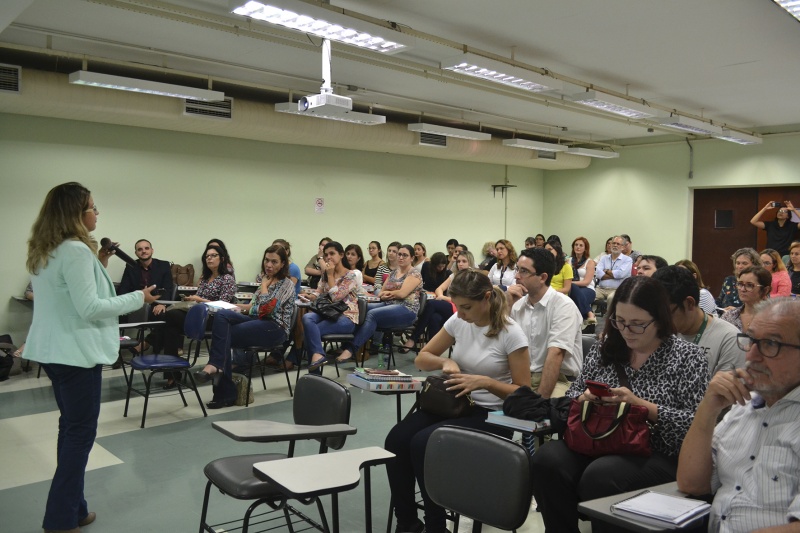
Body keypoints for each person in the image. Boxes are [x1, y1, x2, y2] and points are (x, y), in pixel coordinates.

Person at [24, 182, 158, 533]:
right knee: (80, 434)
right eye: (93, 207)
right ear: (76, 214)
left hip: (54, 353)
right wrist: (136, 297)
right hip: (76, 355)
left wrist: (100, 261)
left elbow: (71, 296)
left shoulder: (47, 250)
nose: (97, 213)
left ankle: (76, 509)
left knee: (70, 428)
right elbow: (90, 308)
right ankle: (59, 519)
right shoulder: (74, 251)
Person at [531, 276, 709, 533]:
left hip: (657, 451)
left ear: (659, 319)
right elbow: (574, 393)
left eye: (637, 324)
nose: (626, 331)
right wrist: (584, 399)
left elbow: (696, 424)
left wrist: (641, 406)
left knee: (603, 475)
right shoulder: (607, 347)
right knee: (548, 460)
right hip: (599, 438)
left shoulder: (687, 357)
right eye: (620, 322)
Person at [385, 270, 530, 533]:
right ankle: (406, 521)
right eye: (458, 307)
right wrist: (445, 361)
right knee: (396, 439)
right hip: (456, 405)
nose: (461, 313)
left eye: (466, 307)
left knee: (424, 442)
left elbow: (523, 392)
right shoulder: (459, 321)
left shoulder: (511, 334)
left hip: (493, 414)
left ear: (487, 298)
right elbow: (422, 357)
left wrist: (485, 382)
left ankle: (436, 526)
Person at [677, 298, 800, 532]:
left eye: (771, 344)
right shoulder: (742, 407)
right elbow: (691, 483)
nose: (752, 356)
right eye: (751, 340)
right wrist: (708, 408)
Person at [194, 244, 296, 408]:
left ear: (283, 264)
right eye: (267, 260)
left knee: (222, 336)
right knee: (222, 316)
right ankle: (219, 378)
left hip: (275, 328)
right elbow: (254, 307)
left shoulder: (286, 284)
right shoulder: (266, 279)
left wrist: (263, 286)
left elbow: (268, 309)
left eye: (274, 262)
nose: (269, 265)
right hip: (257, 321)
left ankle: (220, 383)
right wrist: (238, 308)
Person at [507, 247, 583, 398]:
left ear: (542, 277)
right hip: (523, 379)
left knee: (544, 413)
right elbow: (501, 345)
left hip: (559, 380)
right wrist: (507, 306)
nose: (516, 276)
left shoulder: (563, 306)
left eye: (524, 271)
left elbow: (555, 355)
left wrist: (539, 402)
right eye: (517, 269)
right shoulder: (517, 305)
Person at [160, 244, 236, 387]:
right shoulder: (205, 279)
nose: (209, 259)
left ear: (222, 258)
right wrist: (192, 299)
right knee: (170, 324)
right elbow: (198, 298)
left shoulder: (227, 278)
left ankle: (173, 373)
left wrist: (199, 300)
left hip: (215, 319)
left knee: (170, 317)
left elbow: (224, 304)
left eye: (213, 255)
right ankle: (172, 372)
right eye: (207, 256)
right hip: (199, 315)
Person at [336, 244, 422, 363]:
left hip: (406, 309)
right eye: (400, 254)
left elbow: (402, 294)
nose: (401, 257)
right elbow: (381, 292)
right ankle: (346, 345)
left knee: (372, 314)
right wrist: (388, 293)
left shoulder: (414, 273)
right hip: (389, 304)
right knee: (360, 308)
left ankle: (351, 349)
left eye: (405, 255)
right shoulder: (393, 273)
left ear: (412, 258)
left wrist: (389, 293)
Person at [653, 266, 745, 376]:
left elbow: (725, 391)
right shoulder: (658, 333)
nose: (659, 322)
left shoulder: (729, 339)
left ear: (689, 303)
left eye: (666, 314)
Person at [296, 241, 361, 367]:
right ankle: (318, 356)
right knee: (307, 317)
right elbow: (319, 290)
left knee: (311, 333)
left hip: (346, 316)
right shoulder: (326, 274)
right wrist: (310, 296)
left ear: (341, 255)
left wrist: (330, 276)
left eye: (332, 253)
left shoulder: (351, 275)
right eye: (326, 255)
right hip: (327, 312)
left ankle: (315, 371)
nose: (328, 257)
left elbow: (336, 297)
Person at [402, 251, 474, 352]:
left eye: (464, 261)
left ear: (470, 262)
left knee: (431, 304)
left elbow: (464, 299)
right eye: (458, 261)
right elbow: (439, 289)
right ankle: (432, 351)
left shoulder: (472, 276)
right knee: (434, 317)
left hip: (461, 308)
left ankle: (413, 339)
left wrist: (443, 298)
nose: (460, 264)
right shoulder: (454, 275)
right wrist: (440, 295)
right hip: (450, 305)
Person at [117, 239, 174, 327]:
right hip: (135, 303)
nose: (143, 251)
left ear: (152, 250)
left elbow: (168, 287)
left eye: (146, 248)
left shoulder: (164, 265)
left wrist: (162, 304)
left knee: (164, 316)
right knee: (115, 315)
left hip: (156, 303)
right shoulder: (130, 266)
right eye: (140, 249)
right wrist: (122, 305)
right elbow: (124, 288)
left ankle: (149, 340)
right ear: (136, 253)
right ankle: (120, 340)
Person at [721, 266, 771, 332]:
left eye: (749, 285)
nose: (742, 289)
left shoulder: (775, 318)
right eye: (740, 284)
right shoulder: (729, 316)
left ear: (765, 290)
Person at [567, 236, 597, 330]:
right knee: (572, 290)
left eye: (581, 245)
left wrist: (570, 283)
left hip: (587, 289)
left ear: (585, 248)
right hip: (572, 289)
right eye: (576, 245)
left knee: (573, 289)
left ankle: (577, 325)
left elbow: (586, 282)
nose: (578, 247)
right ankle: (589, 313)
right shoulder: (568, 261)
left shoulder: (590, 262)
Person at [594, 235, 633, 305]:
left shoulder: (627, 260)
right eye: (613, 243)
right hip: (601, 289)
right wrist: (615, 275)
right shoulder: (604, 258)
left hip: (617, 290)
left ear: (623, 247)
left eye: (618, 244)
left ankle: (609, 316)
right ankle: (590, 315)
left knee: (611, 298)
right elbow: (598, 273)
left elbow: (621, 274)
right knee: (588, 296)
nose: (615, 245)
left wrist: (606, 271)